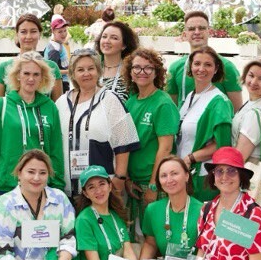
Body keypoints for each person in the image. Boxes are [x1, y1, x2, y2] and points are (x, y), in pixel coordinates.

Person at [58, 49, 139, 197]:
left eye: (91, 68)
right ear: (72, 74)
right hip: (67, 186)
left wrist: (120, 178)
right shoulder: (62, 102)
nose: (86, 73)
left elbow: (123, 143)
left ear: (98, 71)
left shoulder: (110, 100)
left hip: (101, 187)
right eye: (80, 70)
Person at [0, 52, 65, 197]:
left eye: (36, 74)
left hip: (41, 184)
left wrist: (58, 184)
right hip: (8, 184)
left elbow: (56, 149)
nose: (31, 79)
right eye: (26, 73)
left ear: (42, 77)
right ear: (18, 75)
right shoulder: (2, 105)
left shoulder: (50, 107)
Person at [123, 49, 179, 218]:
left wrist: (153, 185)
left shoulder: (163, 103)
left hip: (154, 182)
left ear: (156, 73)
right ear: (130, 72)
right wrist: (127, 179)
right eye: (137, 67)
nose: (142, 72)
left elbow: (166, 148)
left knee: (156, 230)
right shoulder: (131, 102)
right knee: (136, 232)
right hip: (134, 183)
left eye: (148, 68)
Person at [174, 47, 234, 202]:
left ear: (216, 69)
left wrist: (191, 158)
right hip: (184, 174)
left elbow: (222, 144)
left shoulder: (219, 102)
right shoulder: (190, 96)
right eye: (197, 64)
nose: (201, 69)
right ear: (190, 67)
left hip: (203, 178)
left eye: (208, 65)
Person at [167, 11, 243, 110]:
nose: (197, 32)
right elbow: (172, 109)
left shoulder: (226, 66)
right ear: (185, 34)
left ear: (209, 32)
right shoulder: (175, 68)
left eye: (202, 28)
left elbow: (237, 110)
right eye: (191, 29)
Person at [0, 14, 63, 101]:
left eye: (33, 31)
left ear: (39, 34)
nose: (28, 36)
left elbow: (58, 106)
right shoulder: (4, 68)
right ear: (17, 35)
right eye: (23, 32)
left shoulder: (52, 67)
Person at [96, 19, 139, 102]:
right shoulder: (92, 68)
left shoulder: (131, 71)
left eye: (114, 38)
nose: (107, 41)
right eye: (104, 36)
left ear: (124, 45)